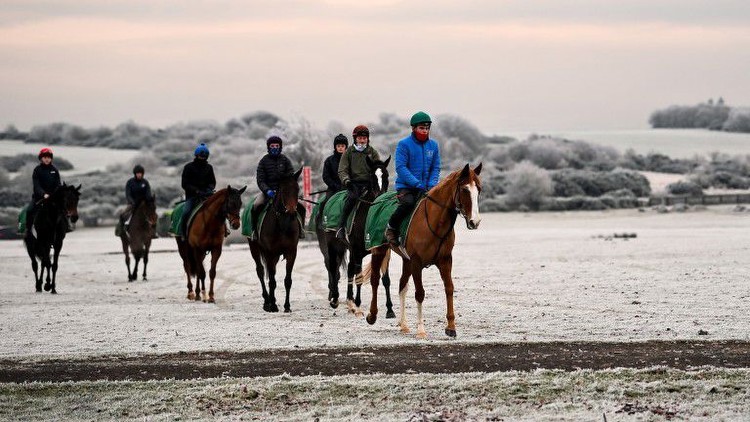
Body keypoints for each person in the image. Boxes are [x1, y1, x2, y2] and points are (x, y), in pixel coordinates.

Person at [385, 111, 441, 247]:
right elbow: (401, 167)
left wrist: (432, 184)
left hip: (428, 186)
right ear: (414, 128)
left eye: (427, 128)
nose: (425, 131)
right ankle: (391, 228)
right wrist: (416, 183)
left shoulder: (433, 145)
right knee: (408, 204)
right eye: (422, 128)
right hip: (407, 187)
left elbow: (436, 167)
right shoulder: (404, 144)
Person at [250, 135, 306, 239]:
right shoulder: (263, 161)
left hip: (284, 192)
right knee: (256, 206)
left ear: (280, 147)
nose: (274, 148)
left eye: (277, 146)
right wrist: (267, 191)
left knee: (301, 207)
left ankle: (301, 230)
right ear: (269, 147)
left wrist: (285, 185)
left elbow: (291, 176)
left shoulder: (285, 160)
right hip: (268, 192)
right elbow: (260, 180)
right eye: (272, 146)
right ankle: (254, 231)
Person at [336, 125, 380, 242]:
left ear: (367, 139)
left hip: (370, 184)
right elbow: (342, 170)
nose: (362, 140)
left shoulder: (373, 152)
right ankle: (341, 227)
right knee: (351, 199)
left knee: (380, 200)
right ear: (355, 138)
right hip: (354, 184)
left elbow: (378, 169)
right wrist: (347, 181)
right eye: (360, 138)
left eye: (364, 138)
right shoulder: (349, 152)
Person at [180, 143, 216, 238]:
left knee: (219, 209)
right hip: (192, 196)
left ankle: (224, 230)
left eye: (204, 157)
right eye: (201, 156)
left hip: (206, 195)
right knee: (186, 212)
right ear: (196, 155)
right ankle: (183, 233)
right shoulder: (188, 167)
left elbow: (212, 182)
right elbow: (184, 184)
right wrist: (196, 191)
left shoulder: (209, 168)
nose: (202, 158)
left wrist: (209, 189)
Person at [26, 147, 62, 234]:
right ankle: (28, 231)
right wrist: (43, 194)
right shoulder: (37, 170)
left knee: (63, 210)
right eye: (45, 157)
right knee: (29, 210)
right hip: (39, 198)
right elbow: (36, 185)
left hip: (53, 198)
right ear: (41, 158)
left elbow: (58, 184)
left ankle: (66, 227)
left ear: (51, 159)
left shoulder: (55, 170)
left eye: (49, 157)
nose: (47, 159)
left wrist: (55, 194)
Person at [117, 164, 154, 236]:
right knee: (122, 214)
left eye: (140, 173)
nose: (139, 175)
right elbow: (128, 194)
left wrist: (149, 199)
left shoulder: (145, 182)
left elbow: (148, 193)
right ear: (135, 174)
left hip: (143, 203)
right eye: (138, 173)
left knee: (153, 214)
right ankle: (122, 231)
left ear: (142, 174)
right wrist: (131, 201)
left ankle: (153, 232)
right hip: (132, 203)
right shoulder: (130, 182)